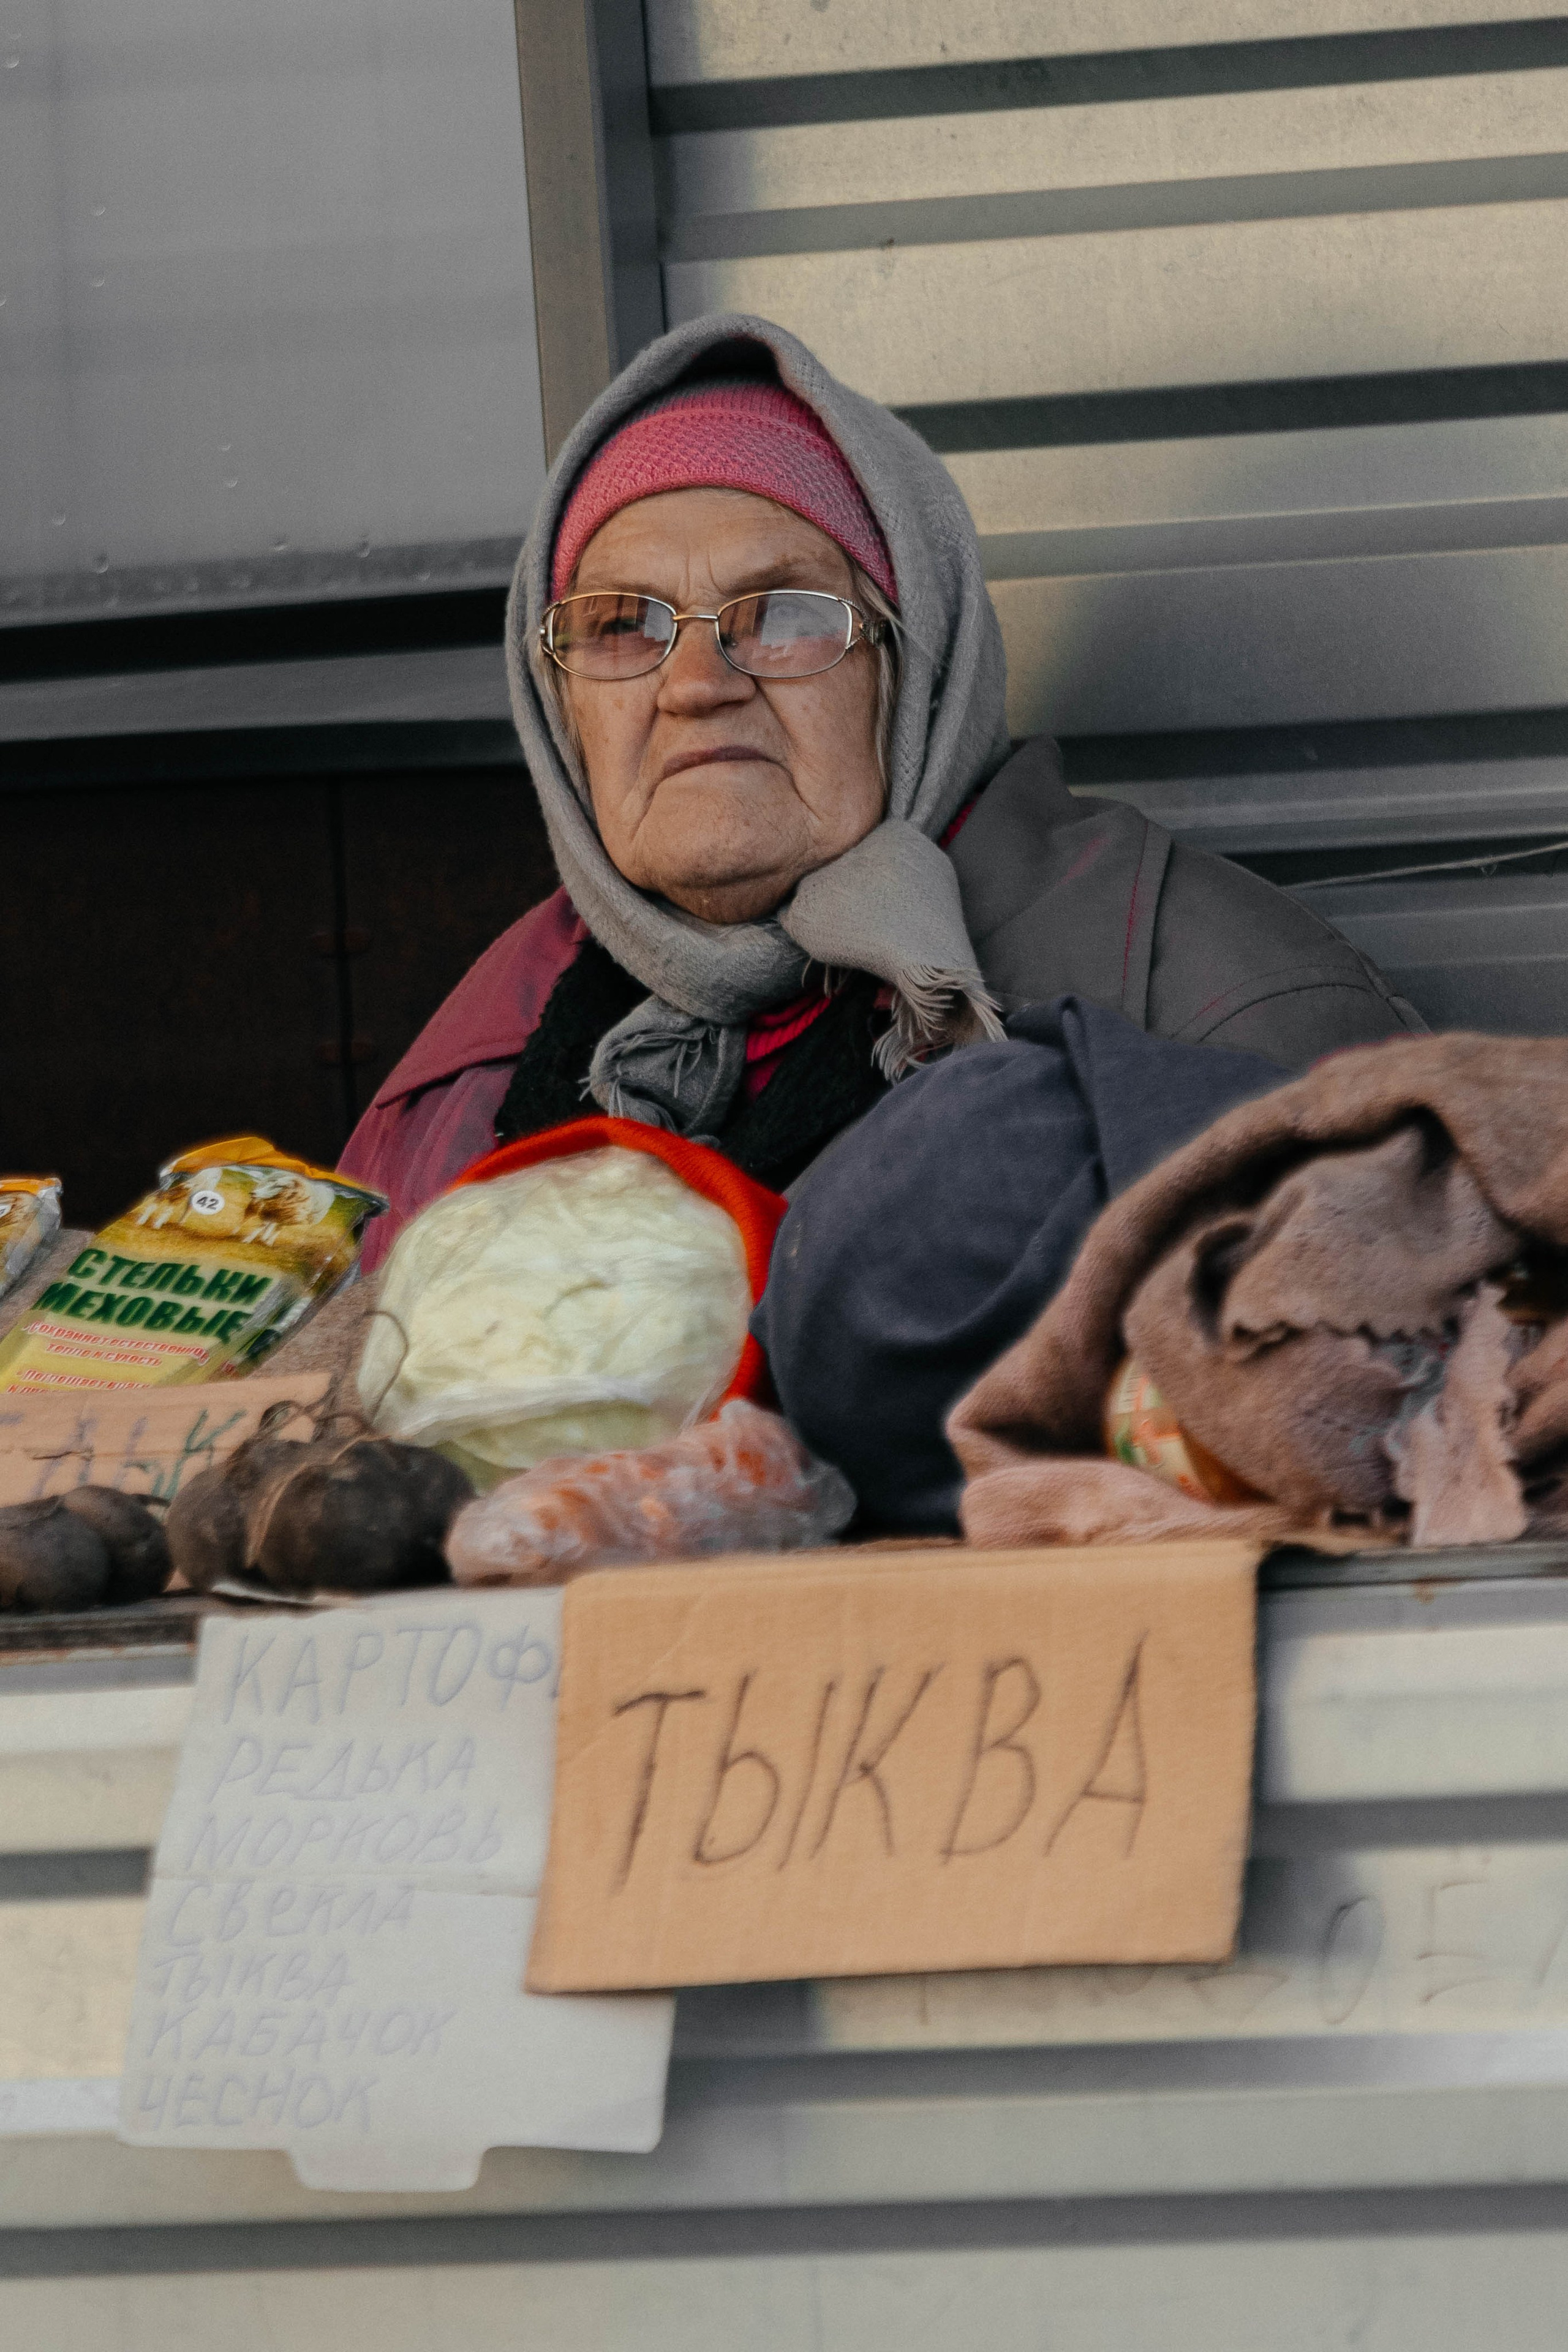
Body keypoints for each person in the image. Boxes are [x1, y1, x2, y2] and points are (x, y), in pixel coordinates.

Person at [341, 312, 1420, 1267]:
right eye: (623, 624)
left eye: (788, 614)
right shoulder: (490, 1046)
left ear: (917, 673)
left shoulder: (1199, 997)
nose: (698, 686)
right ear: (556, 700)